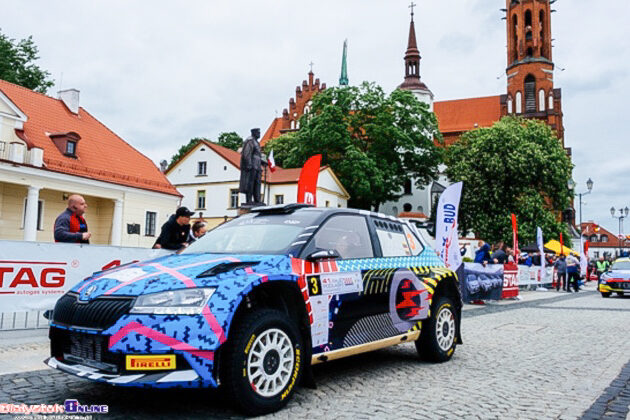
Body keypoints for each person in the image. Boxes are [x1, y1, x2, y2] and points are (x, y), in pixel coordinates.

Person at [239, 128, 263, 204]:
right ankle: (249, 200)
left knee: (257, 183)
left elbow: (258, 155)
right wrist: (249, 164)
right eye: (258, 132)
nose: (259, 134)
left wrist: (263, 162)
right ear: (254, 133)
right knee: (250, 183)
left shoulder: (257, 142)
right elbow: (246, 153)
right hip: (252, 165)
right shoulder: (250, 141)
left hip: (258, 166)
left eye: (259, 132)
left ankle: (257, 199)